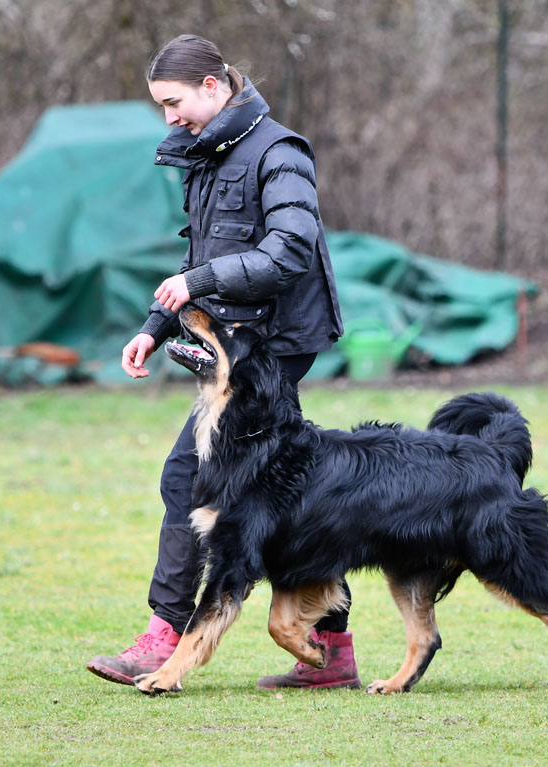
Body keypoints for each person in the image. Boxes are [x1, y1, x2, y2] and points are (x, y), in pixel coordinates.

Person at [85, 34, 357, 691]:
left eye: (174, 102)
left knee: (187, 473)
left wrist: (202, 280)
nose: (169, 117)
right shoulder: (212, 153)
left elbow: (288, 251)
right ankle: (332, 652)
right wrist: (155, 327)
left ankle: (163, 636)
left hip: (274, 346)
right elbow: (199, 259)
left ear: (215, 85)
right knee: (289, 492)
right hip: (234, 339)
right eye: (161, 107)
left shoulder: (277, 152)